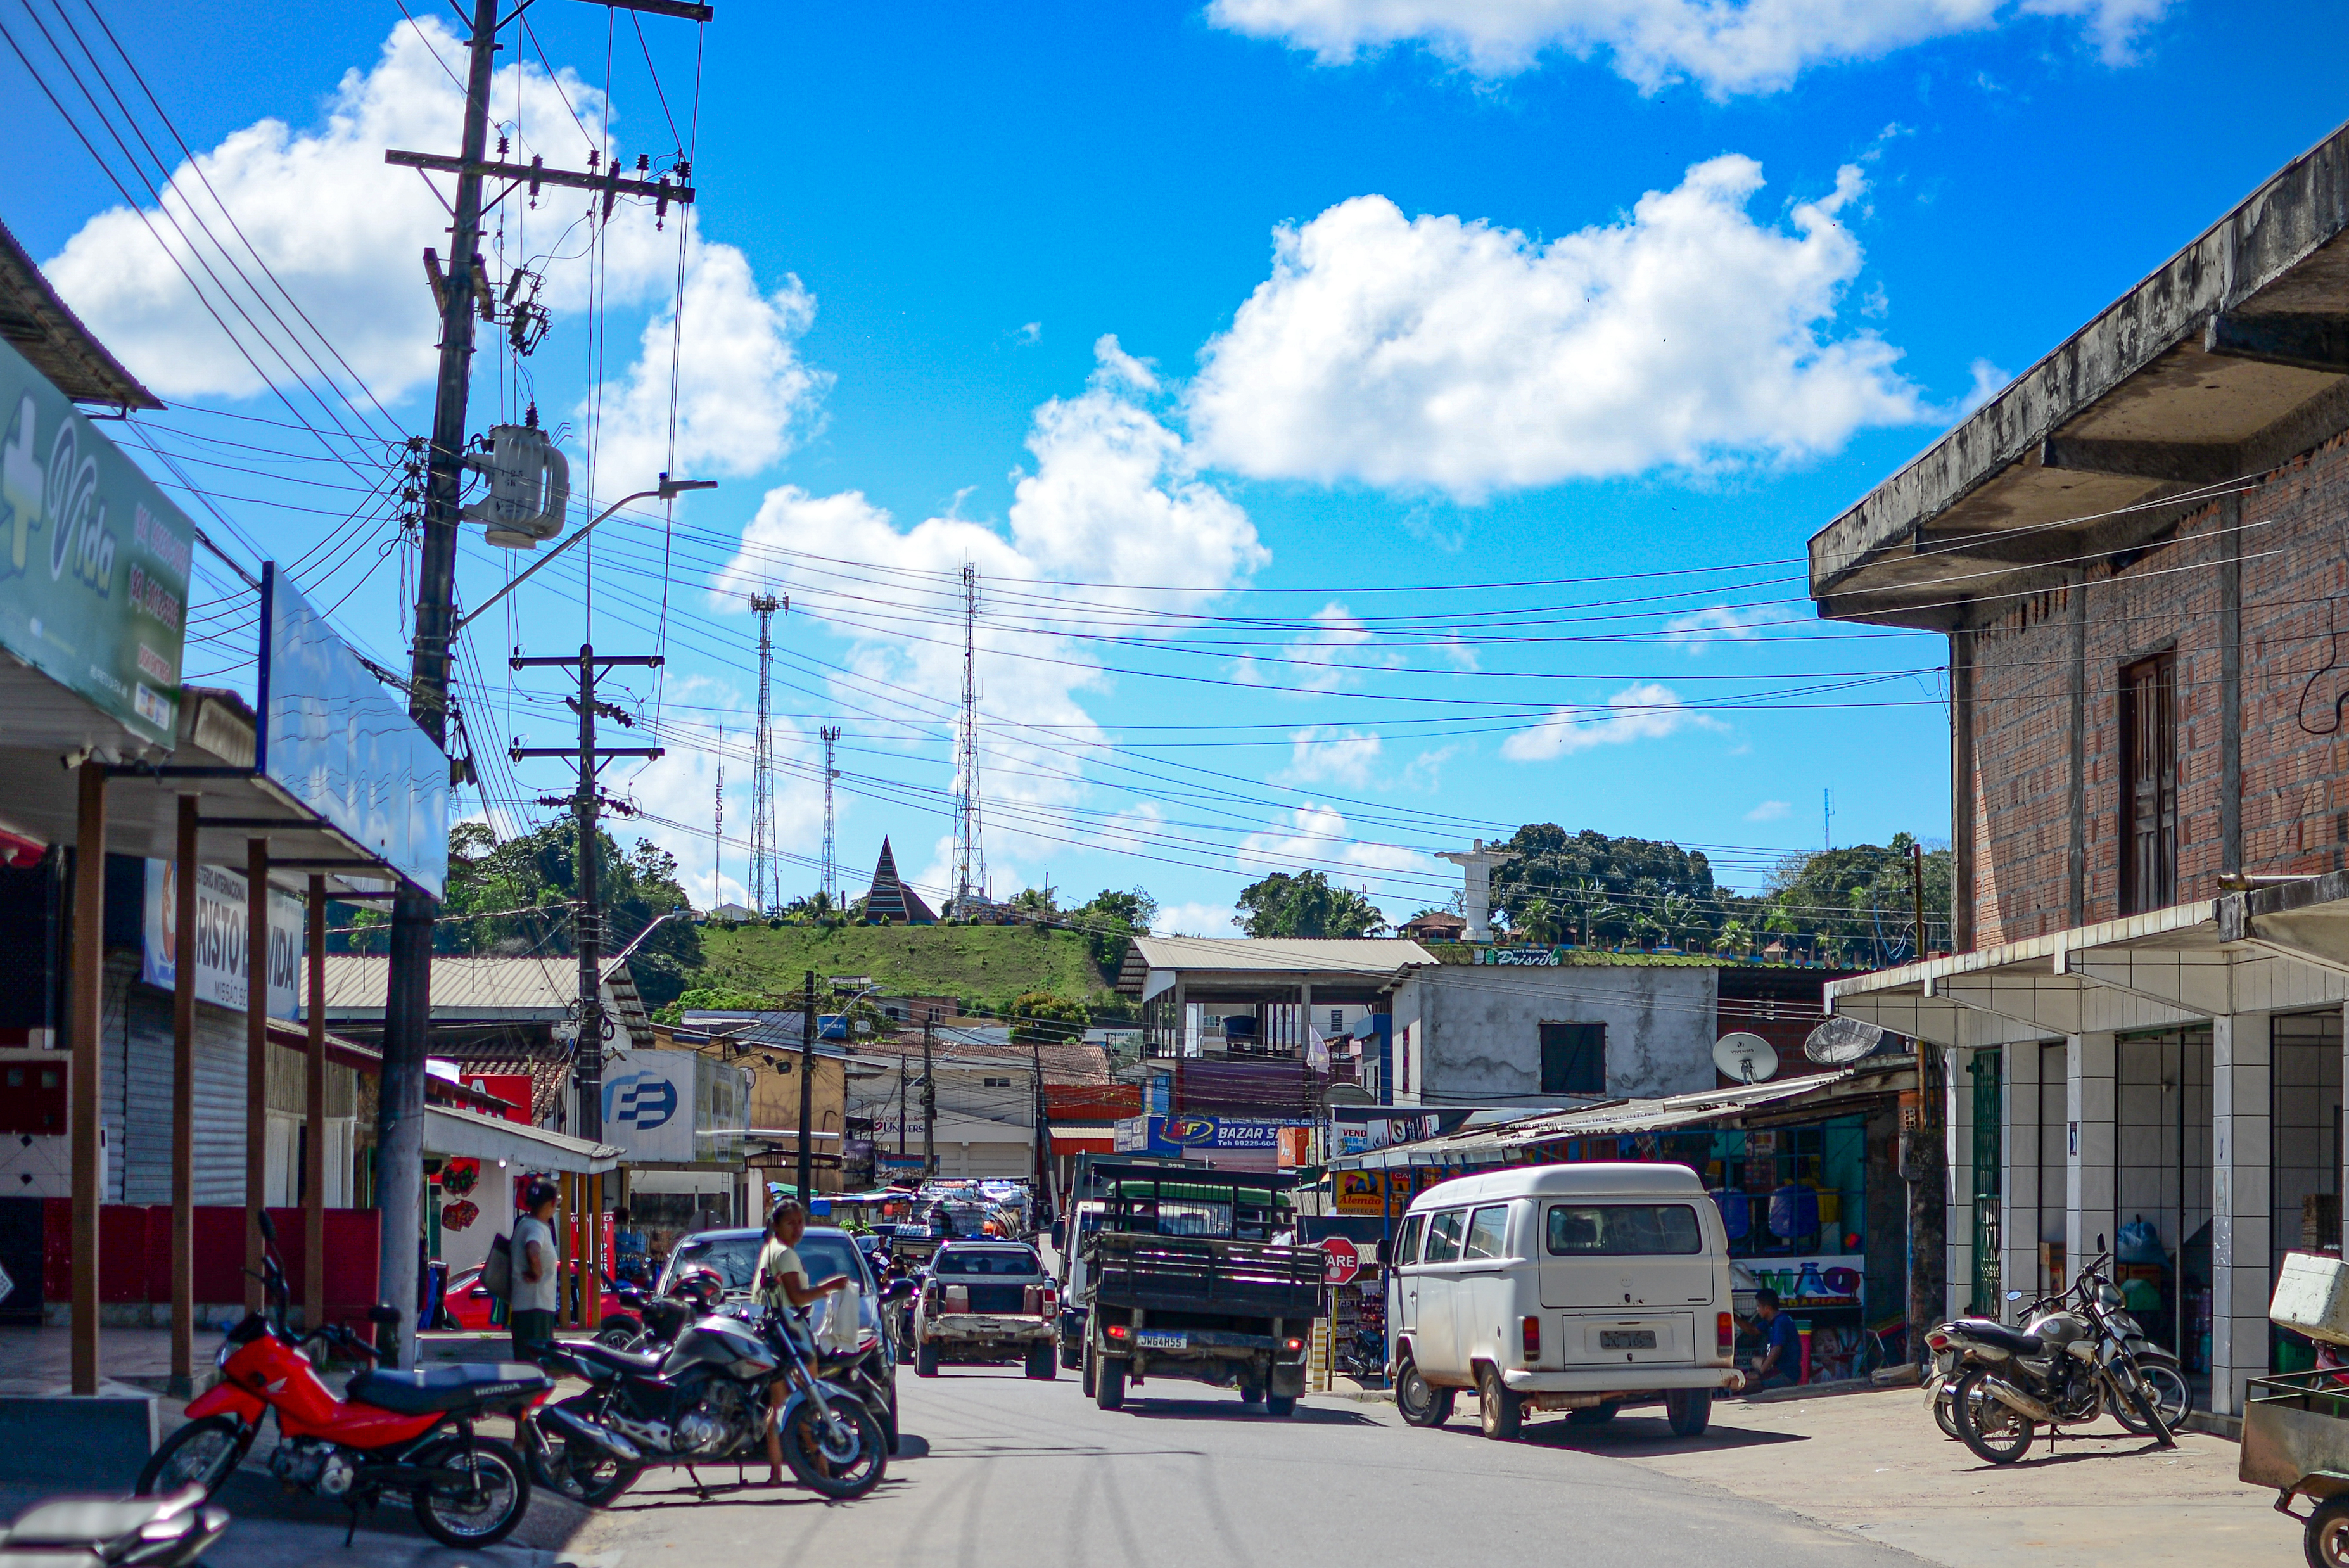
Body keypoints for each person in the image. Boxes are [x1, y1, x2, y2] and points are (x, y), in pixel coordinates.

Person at [751, 1200, 853, 1486]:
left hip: (771, 1334)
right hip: (792, 1335)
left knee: (777, 1406)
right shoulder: (784, 1254)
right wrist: (829, 1288)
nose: (798, 1229)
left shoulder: (771, 1250)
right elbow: (797, 1297)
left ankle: (775, 1474)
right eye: (791, 1223)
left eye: (801, 1222)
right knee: (810, 1402)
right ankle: (821, 1470)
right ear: (777, 1225)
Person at [509, 1179, 561, 1357]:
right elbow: (533, 1249)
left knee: (527, 1367)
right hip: (536, 1309)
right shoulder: (537, 1228)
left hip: (523, 1307)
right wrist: (537, 1271)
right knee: (537, 1367)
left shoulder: (524, 1223)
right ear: (551, 1203)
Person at [1747, 1288, 1802, 1393]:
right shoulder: (1772, 1320)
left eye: (1759, 1306)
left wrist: (1760, 1374)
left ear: (1767, 1308)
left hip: (1786, 1374)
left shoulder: (1781, 1322)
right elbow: (1752, 1330)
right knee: (1755, 1361)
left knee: (1748, 1386)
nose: (1757, 1309)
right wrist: (1734, 1317)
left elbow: (1776, 1350)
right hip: (1778, 1368)